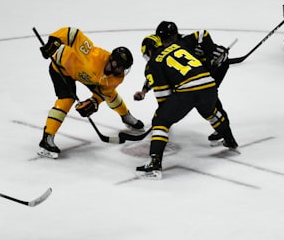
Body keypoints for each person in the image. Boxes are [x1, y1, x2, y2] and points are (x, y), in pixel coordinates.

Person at [136, 32, 238, 179]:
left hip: (188, 90)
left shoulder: (154, 62)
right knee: (211, 113)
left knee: (160, 120)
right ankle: (229, 139)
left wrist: (164, 118)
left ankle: (154, 164)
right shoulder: (178, 45)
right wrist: (210, 52)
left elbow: (163, 98)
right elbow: (201, 33)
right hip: (209, 84)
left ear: (149, 50)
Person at [35, 27, 140, 159]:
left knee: (111, 95)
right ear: (113, 62)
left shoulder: (117, 77)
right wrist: (53, 42)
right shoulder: (93, 55)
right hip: (61, 67)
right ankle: (46, 140)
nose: (122, 71)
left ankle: (126, 117)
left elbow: (104, 91)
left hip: (85, 75)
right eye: (120, 67)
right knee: (66, 99)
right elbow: (72, 33)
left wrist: (93, 102)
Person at [134, 20, 232, 146]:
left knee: (208, 98)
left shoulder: (184, 41)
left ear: (175, 35)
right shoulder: (169, 47)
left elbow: (203, 34)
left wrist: (211, 55)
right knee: (199, 94)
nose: (164, 42)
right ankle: (223, 131)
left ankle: (225, 132)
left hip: (215, 68)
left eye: (166, 38)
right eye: (161, 38)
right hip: (195, 71)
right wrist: (144, 91)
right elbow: (158, 74)